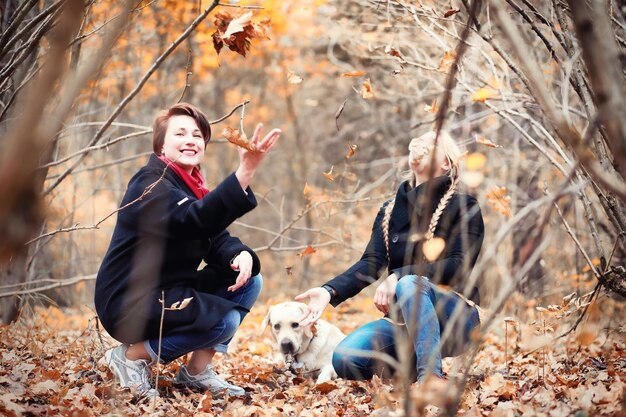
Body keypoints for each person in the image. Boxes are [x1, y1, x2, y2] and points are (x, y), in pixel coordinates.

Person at [95, 103, 280, 397]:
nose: (191, 139)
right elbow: (194, 220)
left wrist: (238, 254)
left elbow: (214, 234)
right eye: (179, 133)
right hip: (129, 301)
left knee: (249, 279)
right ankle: (131, 357)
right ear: (161, 145)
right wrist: (244, 171)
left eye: (197, 135)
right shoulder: (149, 183)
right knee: (222, 322)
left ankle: (196, 373)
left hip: (169, 290)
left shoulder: (190, 189)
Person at [296, 130, 484, 384]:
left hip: (457, 318)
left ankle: (431, 380)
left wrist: (399, 276)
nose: (420, 144)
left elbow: (459, 265)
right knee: (345, 358)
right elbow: (370, 263)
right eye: (417, 141)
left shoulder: (464, 206)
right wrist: (329, 291)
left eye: (431, 144)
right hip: (402, 322)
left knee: (409, 284)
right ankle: (412, 369)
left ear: (446, 163)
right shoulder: (389, 211)